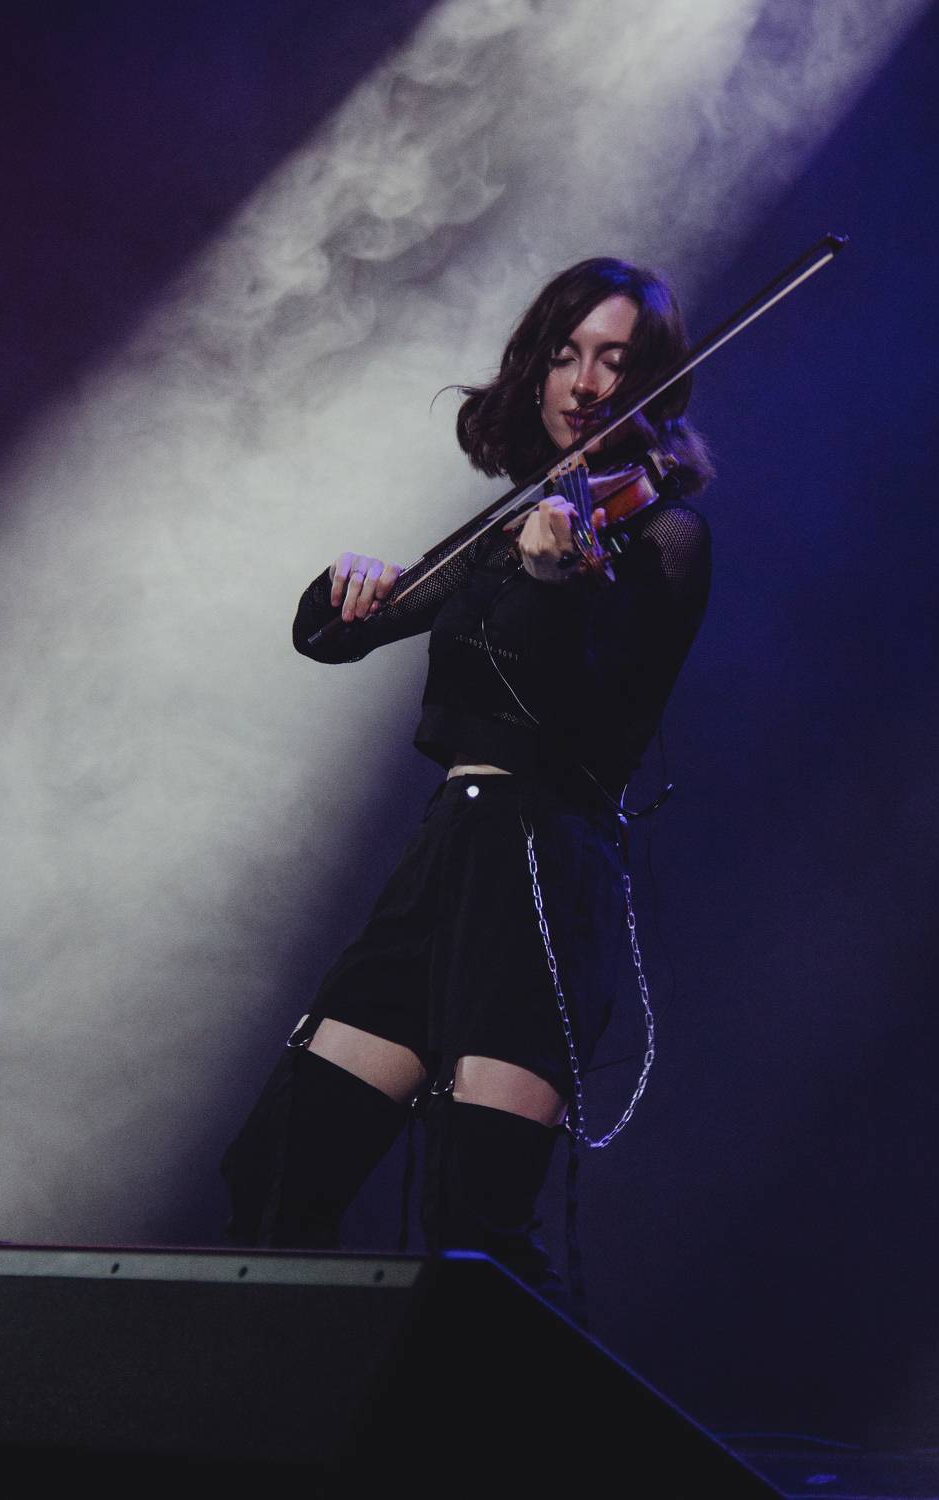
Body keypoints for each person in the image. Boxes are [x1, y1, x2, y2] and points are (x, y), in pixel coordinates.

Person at [220, 257, 714, 1310]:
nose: (585, 383)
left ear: (655, 383)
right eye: (566, 356)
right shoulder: (508, 529)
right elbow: (333, 637)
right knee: (276, 1179)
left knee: (475, 1230)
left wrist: (557, 583)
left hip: (543, 872)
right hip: (448, 858)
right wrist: (347, 582)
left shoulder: (663, 537)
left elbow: (592, 716)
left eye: (615, 361)